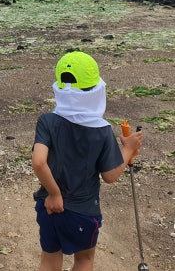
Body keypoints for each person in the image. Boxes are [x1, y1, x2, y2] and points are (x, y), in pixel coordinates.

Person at [31, 51, 143, 271]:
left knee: (49, 260)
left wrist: (53, 194)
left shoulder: (47, 121)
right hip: (83, 211)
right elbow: (110, 175)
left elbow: (39, 162)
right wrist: (128, 149)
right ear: (95, 89)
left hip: (49, 207)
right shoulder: (102, 130)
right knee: (84, 260)